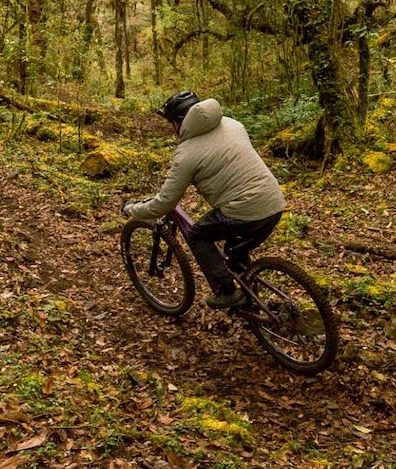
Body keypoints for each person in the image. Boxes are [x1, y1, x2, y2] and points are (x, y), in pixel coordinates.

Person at [122, 91, 286, 309]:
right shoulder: (232, 124)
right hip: (274, 202)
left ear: (180, 122)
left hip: (243, 211)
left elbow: (165, 204)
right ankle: (250, 300)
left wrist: (131, 210)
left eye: (171, 123)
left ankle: (228, 292)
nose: (172, 129)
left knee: (197, 235)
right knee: (235, 250)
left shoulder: (187, 153)